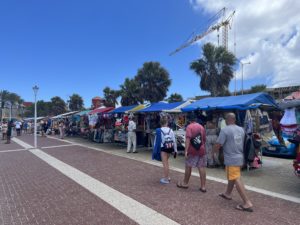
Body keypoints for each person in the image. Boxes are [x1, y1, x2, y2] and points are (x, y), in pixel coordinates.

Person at [214, 113, 253, 212]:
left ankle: (247, 202)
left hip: (231, 158)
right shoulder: (241, 129)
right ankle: (227, 193)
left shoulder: (225, 130)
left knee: (236, 178)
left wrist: (212, 152)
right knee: (232, 177)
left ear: (227, 120)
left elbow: (218, 144)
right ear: (234, 119)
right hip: (239, 157)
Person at [177, 113, 207, 192]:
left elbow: (188, 139)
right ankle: (203, 186)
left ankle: (185, 183)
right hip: (201, 149)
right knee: (201, 167)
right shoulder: (201, 127)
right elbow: (204, 139)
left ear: (189, 120)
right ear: (196, 119)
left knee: (188, 166)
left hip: (192, 149)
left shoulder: (189, 127)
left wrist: (186, 150)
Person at [153, 116, 177, 184]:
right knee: (167, 163)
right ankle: (167, 176)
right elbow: (174, 141)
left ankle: (166, 179)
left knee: (165, 164)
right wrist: (175, 150)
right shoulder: (171, 130)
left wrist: (155, 150)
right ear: (167, 122)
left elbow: (156, 142)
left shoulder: (159, 130)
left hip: (163, 148)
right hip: (170, 148)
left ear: (160, 123)